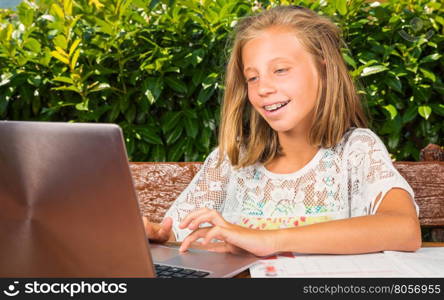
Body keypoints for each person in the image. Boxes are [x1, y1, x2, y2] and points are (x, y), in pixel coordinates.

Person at [143, 5, 421, 257]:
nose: (263, 88)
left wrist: (268, 240)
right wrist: (158, 234)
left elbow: (404, 229)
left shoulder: (355, 152)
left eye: (280, 70)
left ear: (323, 69)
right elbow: (176, 230)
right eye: (253, 77)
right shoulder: (232, 160)